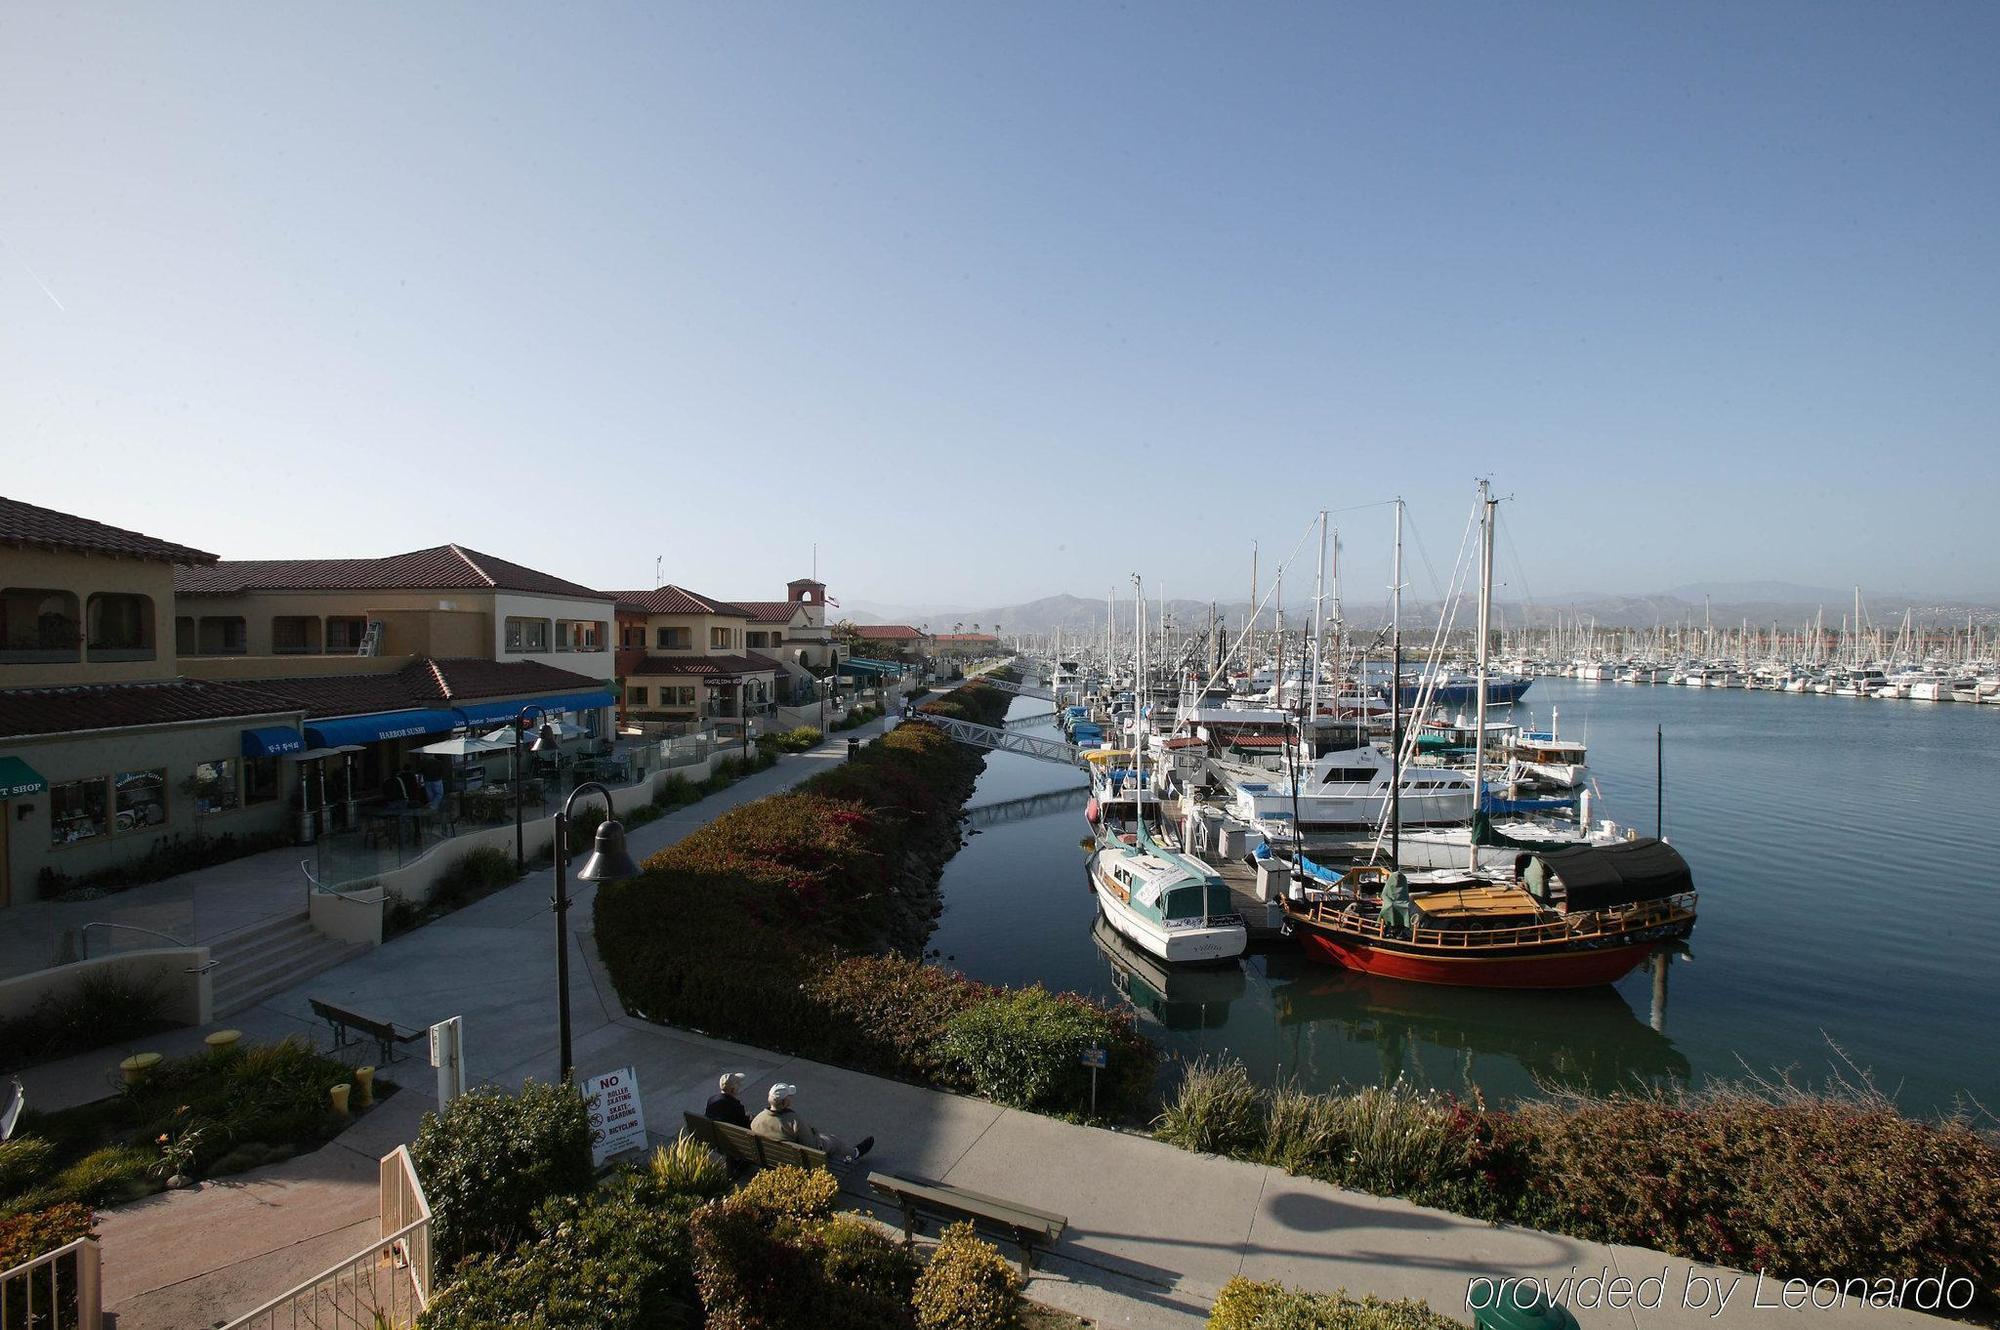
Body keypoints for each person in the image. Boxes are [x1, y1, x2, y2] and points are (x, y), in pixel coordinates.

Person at [751, 1083, 873, 1163]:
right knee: (832, 1140)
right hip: (795, 1161)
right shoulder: (793, 1120)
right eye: (789, 1097)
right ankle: (853, 1153)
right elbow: (810, 1146)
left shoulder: (757, 1120)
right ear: (784, 1103)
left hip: (768, 1158)